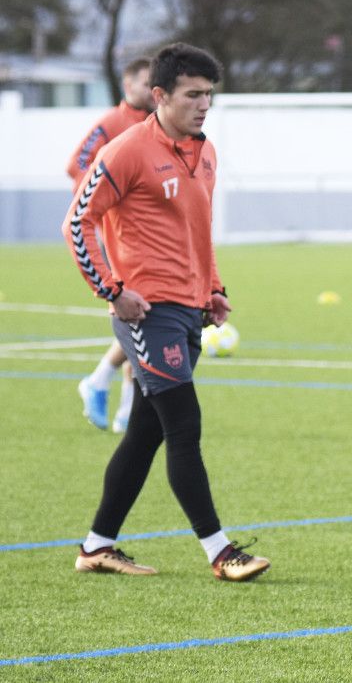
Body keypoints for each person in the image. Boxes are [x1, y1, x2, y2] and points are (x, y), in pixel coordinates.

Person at [61, 43, 270, 581]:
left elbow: (197, 229)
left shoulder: (205, 151)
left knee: (146, 434)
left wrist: (214, 288)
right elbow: (76, 223)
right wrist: (112, 290)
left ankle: (97, 545)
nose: (204, 105)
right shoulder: (126, 151)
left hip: (188, 311)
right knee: (184, 426)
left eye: (209, 95)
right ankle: (222, 553)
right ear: (160, 95)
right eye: (193, 95)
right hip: (146, 311)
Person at [67, 57, 155, 434]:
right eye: (145, 83)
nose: (152, 91)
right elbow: (77, 164)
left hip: (146, 235)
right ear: (127, 83)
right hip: (118, 235)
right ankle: (106, 388)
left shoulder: (156, 125)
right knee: (140, 313)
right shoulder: (112, 123)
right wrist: (109, 198)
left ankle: (119, 405)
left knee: (147, 316)